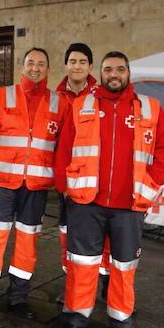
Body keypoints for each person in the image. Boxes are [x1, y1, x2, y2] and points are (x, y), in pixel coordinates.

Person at [54, 51, 164, 328]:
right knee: (82, 263)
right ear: (101, 72)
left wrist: (151, 184)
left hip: (129, 205)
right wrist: (66, 186)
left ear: (128, 73)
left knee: (123, 266)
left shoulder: (151, 108)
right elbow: (64, 148)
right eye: (108, 69)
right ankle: (76, 315)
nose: (114, 74)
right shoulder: (82, 105)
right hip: (86, 202)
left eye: (120, 69)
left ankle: (120, 319)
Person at [0, 47, 71, 324]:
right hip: (2, 183)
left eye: (41, 64)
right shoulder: (1, 96)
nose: (35, 68)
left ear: (48, 69)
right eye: (31, 63)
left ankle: (18, 299)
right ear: (22, 67)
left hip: (35, 187)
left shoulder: (60, 103)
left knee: (27, 244)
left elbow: (64, 148)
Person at [54, 43, 112, 301]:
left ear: (91, 67)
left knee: (105, 236)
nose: (76, 66)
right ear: (65, 65)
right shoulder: (55, 97)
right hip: (69, 180)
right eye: (72, 61)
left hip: (97, 180)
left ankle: (107, 288)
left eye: (82, 62)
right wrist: (62, 183)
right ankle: (73, 287)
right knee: (69, 234)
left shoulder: (103, 95)